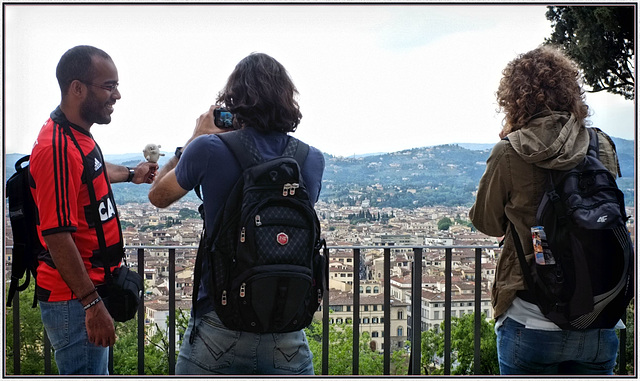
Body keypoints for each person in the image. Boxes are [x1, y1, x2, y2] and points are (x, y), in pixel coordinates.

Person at [148, 52, 324, 375]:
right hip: (286, 330)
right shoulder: (311, 159)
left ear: (233, 101)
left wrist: (193, 140)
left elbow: (158, 195)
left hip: (218, 325)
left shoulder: (208, 150)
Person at [469, 46, 622, 375]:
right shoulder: (601, 144)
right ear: (570, 91)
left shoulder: (509, 152)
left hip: (530, 320)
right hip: (600, 319)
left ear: (513, 98)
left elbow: (487, 223)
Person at [29, 45, 158, 375]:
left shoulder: (77, 138)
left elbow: (93, 169)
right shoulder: (57, 146)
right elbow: (56, 235)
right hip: (74, 301)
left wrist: (132, 174)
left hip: (84, 294)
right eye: (109, 85)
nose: (117, 95)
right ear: (77, 88)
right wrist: (91, 303)